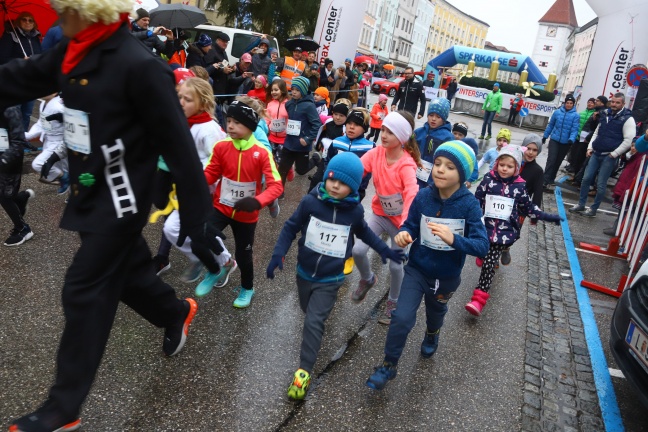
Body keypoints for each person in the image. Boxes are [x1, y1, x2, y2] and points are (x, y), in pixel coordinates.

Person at [0, 1, 229, 429]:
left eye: (62, 8)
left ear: (89, 9)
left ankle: (62, 408)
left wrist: (199, 227)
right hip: (89, 188)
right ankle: (174, 312)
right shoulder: (74, 47)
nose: (55, 15)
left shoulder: (139, 66)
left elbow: (181, 150)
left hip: (122, 201)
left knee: (83, 287)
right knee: (124, 275)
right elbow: (19, 77)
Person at [267, 152, 405, 400]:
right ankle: (315, 322)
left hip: (331, 278)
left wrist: (385, 249)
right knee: (306, 309)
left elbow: (366, 234)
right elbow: (290, 227)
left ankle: (303, 372)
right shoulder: (311, 203)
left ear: (351, 186)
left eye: (341, 183)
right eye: (331, 180)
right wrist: (278, 253)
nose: (334, 185)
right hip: (304, 272)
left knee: (313, 321)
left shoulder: (353, 213)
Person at [365, 141, 489, 391]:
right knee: (401, 317)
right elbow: (410, 224)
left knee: (435, 313)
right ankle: (389, 365)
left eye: (450, 167)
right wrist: (403, 233)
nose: (441, 170)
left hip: (446, 276)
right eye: (439, 164)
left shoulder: (469, 205)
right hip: (417, 269)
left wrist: (454, 239)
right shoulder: (423, 196)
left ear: (462, 175)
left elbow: (482, 246)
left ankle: (433, 333)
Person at [199, 100, 283, 307]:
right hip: (221, 206)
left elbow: (276, 186)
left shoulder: (262, 152)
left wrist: (257, 201)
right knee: (201, 233)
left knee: (244, 254)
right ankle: (217, 269)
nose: (230, 126)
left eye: (237, 122)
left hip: (246, 214)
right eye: (228, 121)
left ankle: (247, 288)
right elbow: (211, 173)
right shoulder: (221, 147)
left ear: (250, 126)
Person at [470, 146, 562, 316]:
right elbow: (476, 200)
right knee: (484, 255)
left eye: (509, 166)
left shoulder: (520, 187)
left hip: (503, 234)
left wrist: (546, 216)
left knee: (489, 264)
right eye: (501, 164)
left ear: (516, 168)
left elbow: (528, 207)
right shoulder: (488, 180)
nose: (504, 168)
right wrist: (474, 218)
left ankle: (478, 299)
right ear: (496, 164)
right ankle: (482, 253)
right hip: (485, 228)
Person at [350, 112, 421, 324]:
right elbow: (357, 169)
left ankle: (393, 301)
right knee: (358, 250)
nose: (383, 135)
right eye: (382, 129)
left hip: (400, 225)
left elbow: (411, 194)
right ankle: (368, 278)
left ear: (401, 138)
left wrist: (407, 226)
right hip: (380, 215)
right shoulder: (377, 153)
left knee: (395, 265)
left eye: (390, 132)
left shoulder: (407, 164)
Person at [161, 77, 232, 287]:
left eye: (188, 99)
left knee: (192, 230)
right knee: (171, 229)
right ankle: (210, 259)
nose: (181, 102)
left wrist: (195, 175)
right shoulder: (184, 123)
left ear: (203, 102)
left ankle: (223, 261)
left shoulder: (209, 129)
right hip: (185, 190)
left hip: (204, 193)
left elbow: (219, 161)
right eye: (180, 97)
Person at [569, 93, 636, 217]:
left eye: (617, 102)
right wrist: (590, 147)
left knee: (600, 184)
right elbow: (597, 132)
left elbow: (629, 140)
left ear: (623, 104)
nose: (614, 104)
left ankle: (593, 209)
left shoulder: (628, 119)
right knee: (586, 179)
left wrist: (614, 154)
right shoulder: (605, 114)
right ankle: (581, 204)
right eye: (613, 102)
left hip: (609, 156)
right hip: (596, 152)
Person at [499, 133, 545, 266]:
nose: (530, 152)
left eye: (535, 150)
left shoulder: (537, 171)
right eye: (528, 148)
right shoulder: (514, 163)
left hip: (520, 208)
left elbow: (537, 193)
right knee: (497, 228)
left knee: (513, 232)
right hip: (503, 203)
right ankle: (494, 254)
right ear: (523, 147)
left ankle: (506, 248)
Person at [0, 11, 43, 133]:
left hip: (31, 81)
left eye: (31, 20)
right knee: (15, 113)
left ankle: (23, 139)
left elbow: (40, 54)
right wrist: (20, 60)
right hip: (15, 81)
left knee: (27, 112)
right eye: (24, 19)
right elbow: (2, 58)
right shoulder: (10, 36)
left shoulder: (35, 37)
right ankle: (14, 141)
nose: (28, 22)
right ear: (19, 21)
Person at [277, 76, 321, 194]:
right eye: (292, 89)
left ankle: (315, 159)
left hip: (302, 144)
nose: (294, 92)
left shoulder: (309, 106)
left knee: (301, 170)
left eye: (297, 90)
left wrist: (308, 138)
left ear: (303, 90)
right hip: (289, 142)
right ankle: (279, 192)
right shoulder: (289, 104)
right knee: (282, 169)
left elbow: (316, 124)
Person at [0, 106, 35, 246]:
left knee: (3, 195)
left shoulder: (10, 108)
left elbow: (19, 141)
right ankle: (21, 198)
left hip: (10, 159)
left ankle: (23, 229)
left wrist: (3, 160)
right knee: (7, 194)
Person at [326, 108, 374, 201]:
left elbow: (368, 172)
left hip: (355, 192)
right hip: (333, 188)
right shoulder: (336, 142)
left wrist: (360, 189)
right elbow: (327, 162)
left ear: (364, 128)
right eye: (349, 123)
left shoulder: (370, 147)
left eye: (356, 124)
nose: (351, 127)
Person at [26, 93, 69, 194]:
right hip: (49, 141)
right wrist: (28, 135)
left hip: (59, 142)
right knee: (63, 168)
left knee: (38, 164)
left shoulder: (58, 106)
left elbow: (74, 123)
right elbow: (41, 124)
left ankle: (66, 178)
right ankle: (70, 189)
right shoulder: (43, 104)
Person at [413, 97, 454, 189]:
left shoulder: (447, 137)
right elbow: (408, 148)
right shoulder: (419, 132)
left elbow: (450, 161)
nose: (433, 119)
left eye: (438, 117)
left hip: (432, 180)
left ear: (444, 119)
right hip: (414, 174)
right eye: (431, 115)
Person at [541, 94, 581, 189]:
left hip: (566, 142)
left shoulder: (576, 115)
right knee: (551, 160)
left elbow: (574, 129)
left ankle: (551, 178)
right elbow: (551, 125)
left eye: (571, 103)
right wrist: (545, 136)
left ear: (573, 104)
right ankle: (545, 180)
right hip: (554, 140)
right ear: (564, 103)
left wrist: (571, 139)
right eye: (567, 103)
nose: (569, 105)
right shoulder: (557, 112)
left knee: (558, 161)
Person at [308, 100, 349, 191]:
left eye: (341, 116)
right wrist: (318, 143)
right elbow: (322, 132)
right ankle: (310, 196)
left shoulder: (346, 129)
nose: (338, 118)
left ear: (346, 117)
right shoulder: (329, 123)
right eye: (336, 114)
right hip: (325, 156)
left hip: (338, 160)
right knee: (317, 178)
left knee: (330, 179)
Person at [571, 96, 607, 181]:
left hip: (589, 140)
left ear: (602, 103)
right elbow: (591, 126)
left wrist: (588, 137)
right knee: (578, 158)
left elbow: (596, 129)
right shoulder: (596, 112)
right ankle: (577, 177)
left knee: (584, 160)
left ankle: (580, 179)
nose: (595, 102)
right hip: (583, 138)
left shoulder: (602, 113)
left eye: (597, 101)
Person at [266, 78, 289, 165]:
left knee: (280, 161)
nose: (273, 92)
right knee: (271, 160)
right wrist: (265, 127)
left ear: (282, 90)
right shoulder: (270, 104)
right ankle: (275, 178)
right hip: (271, 137)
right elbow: (267, 118)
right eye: (272, 90)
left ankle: (284, 174)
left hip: (284, 139)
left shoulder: (288, 104)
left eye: (276, 90)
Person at [451, 122, 479, 188]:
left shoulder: (467, 151)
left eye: (460, 135)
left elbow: (474, 168)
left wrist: (469, 180)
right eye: (455, 133)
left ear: (464, 137)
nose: (457, 136)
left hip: (461, 182)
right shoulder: (447, 146)